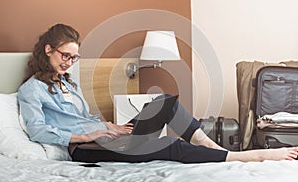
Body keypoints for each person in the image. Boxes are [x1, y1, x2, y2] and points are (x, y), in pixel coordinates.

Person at [18, 23, 298, 163]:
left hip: (103, 138)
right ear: (48, 50)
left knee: (165, 102)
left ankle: (214, 148)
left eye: (74, 58)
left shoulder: (69, 84)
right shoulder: (31, 90)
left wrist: (107, 126)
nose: (69, 62)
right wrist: (87, 135)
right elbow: (36, 131)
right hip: (83, 150)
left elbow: (84, 117)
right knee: (166, 145)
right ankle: (244, 157)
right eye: (65, 55)